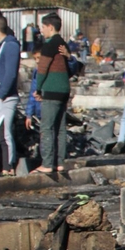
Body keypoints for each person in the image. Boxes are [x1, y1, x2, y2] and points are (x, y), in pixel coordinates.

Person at [33, 13, 70, 174]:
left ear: (50, 27)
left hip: (51, 90)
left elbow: (42, 69)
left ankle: (47, 163)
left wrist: (38, 88)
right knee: (60, 128)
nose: (42, 31)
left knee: (47, 127)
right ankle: (60, 162)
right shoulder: (63, 44)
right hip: (64, 90)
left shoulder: (49, 45)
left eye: (43, 27)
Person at [0, 17, 21, 176]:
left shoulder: (10, 46)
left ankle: (8, 167)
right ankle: (6, 166)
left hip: (3, 97)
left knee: (4, 132)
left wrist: (1, 94)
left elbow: (10, 73)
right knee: (1, 132)